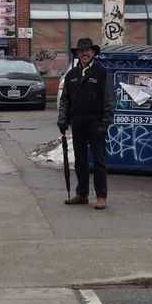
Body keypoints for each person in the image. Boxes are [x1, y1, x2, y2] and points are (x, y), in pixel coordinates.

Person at [57, 38, 114, 210]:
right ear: (77, 54)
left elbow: (109, 101)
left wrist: (104, 124)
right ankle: (82, 194)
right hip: (78, 122)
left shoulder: (101, 72)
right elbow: (65, 100)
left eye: (88, 50)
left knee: (99, 161)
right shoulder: (72, 75)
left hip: (95, 122)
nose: (84, 54)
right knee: (80, 160)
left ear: (94, 53)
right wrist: (63, 118)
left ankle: (101, 196)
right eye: (81, 51)